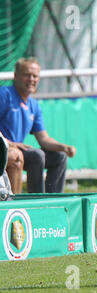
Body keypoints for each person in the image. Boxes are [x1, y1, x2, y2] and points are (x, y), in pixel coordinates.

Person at [0, 58, 77, 194]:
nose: (31, 79)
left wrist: (64, 147)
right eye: (27, 75)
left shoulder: (34, 105)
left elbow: (44, 139)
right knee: (37, 155)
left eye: (35, 76)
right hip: (4, 148)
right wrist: (10, 143)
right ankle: (37, 201)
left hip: (20, 149)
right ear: (16, 76)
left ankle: (54, 202)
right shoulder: (4, 95)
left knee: (60, 156)